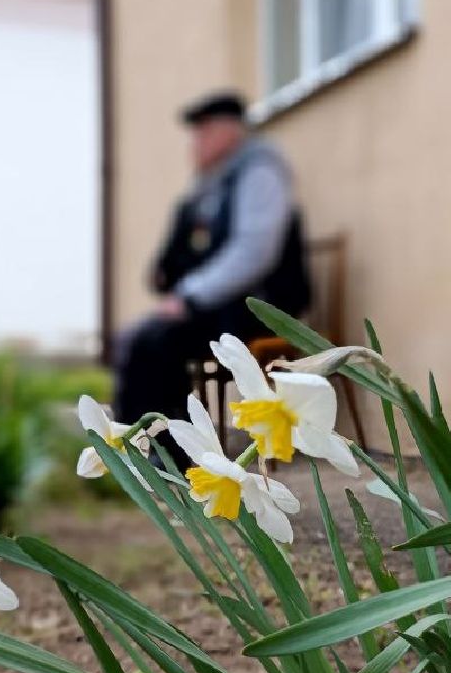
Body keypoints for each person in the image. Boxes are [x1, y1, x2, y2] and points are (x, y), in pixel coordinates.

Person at [112, 90, 311, 440]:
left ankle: (169, 446)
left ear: (230, 131)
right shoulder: (210, 186)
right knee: (135, 338)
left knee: (158, 340)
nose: (195, 142)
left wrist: (189, 296)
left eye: (203, 132)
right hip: (224, 305)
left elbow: (253, 253)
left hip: (262, 307)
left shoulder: (260, 171)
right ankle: (133, 442)